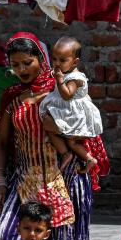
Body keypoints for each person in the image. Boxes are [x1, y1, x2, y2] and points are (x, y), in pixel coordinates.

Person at [0, 31, 93, 240]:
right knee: (4, 237)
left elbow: (83, 126)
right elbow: (3, 144)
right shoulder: (12, 98)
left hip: (64, 182)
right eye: (16, 65)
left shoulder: (61, 90)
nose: (22, 69)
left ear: (42, 60)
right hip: (25, 180)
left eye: (28, 62)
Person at [39, 36, 103, 172]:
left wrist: (60, 80)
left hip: (74, 115)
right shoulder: (64, 72)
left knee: (50, 125)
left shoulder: (75, 78)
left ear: (75, 62)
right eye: (54, 59)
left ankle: (66, 154)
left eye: (62, 60)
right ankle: (88, 158)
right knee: (70, 141)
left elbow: (67, 95)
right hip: (67, 111)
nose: (57, 63)